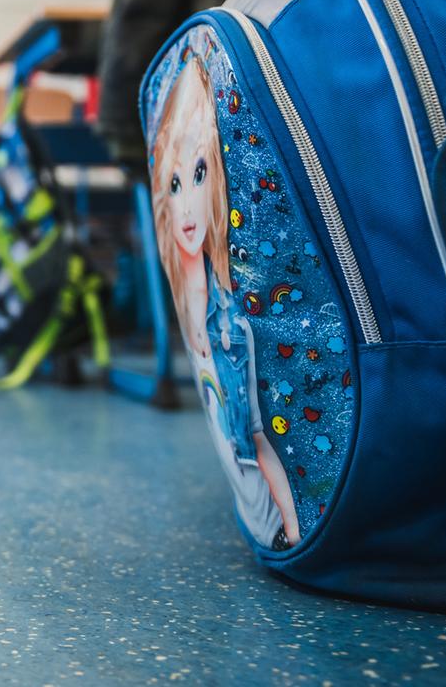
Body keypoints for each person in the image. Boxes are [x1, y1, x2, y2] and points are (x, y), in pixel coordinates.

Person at [150, 47, 300, 550]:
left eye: (198, 175)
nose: (187, 206)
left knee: (254, 440)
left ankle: (294, 530)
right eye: (175, 184)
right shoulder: (200, 291)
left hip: (230, 346)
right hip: (252, 504)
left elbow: (255, 440)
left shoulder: (228, 317)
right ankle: (282, 529)